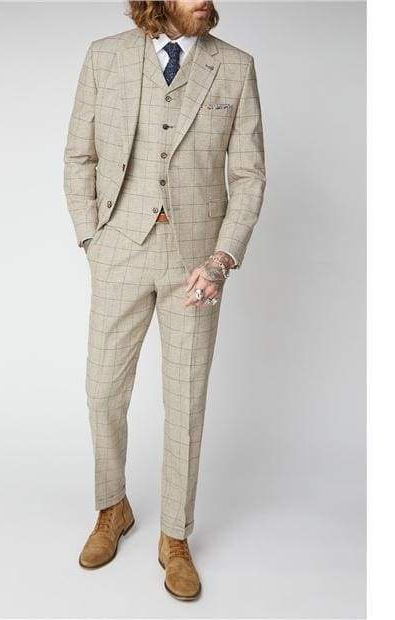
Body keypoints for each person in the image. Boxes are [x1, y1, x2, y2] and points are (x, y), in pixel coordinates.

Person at [63, 0, 266, 600]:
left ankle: (175, 536)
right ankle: (112, 507)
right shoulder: (104, 58)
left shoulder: (236, 67)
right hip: (120, 250)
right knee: (103, 390)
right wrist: (92, 239)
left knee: (186, 401)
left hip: (196, 264)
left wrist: (222, 258)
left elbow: (249, 175)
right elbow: (79, 154)